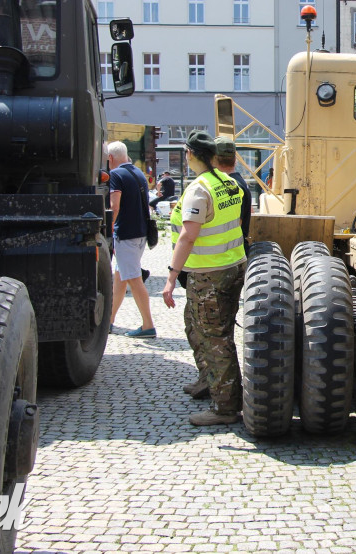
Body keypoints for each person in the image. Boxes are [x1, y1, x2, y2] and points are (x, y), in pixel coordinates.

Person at [161, 130, 246, 426]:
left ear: (191, 155)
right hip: (232, 268)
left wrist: (171, 276)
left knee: (215, 339)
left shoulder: (200, 189)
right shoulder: (229, 183)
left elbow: (188, 236)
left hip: (209, 276)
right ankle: (217, 388)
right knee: (216, 334)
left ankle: (225, 409)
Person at [107, 141, 157, 338]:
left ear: (110, 158)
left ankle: (148, 325)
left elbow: (114, 206)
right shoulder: (138, 173)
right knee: (120, 279)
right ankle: (109, 321)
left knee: (134, 280)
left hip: (126, 234)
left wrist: (109, 229)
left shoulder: (115, 175)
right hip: (141, 232)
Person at [213, 136, 251, 255]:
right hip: (235, 251)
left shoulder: (230, 186)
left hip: (227, 254)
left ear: (213, 159)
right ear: (235, 159)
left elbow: (234, 225)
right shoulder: (239, 182)